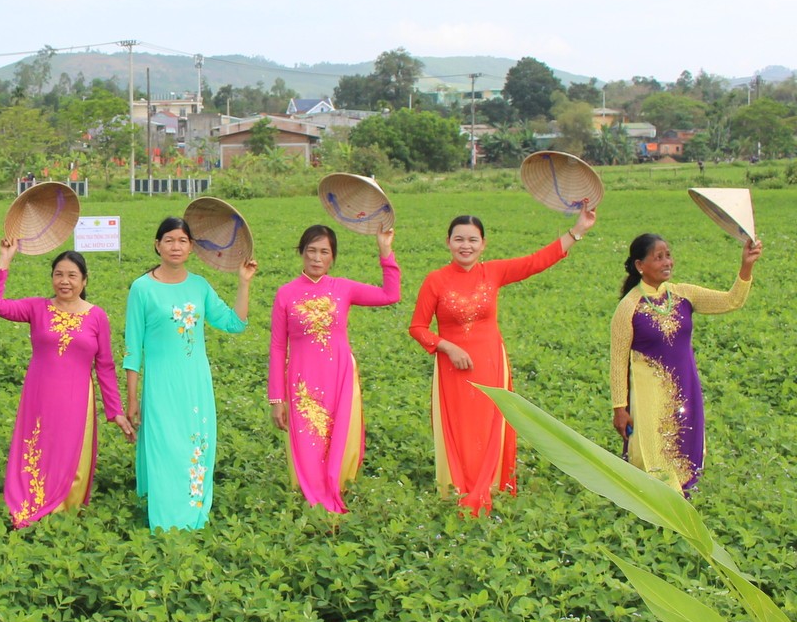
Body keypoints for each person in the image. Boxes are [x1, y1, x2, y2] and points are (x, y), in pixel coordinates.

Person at [408, 208, 596, 516]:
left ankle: (492, 484)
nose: (465, 246)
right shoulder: (436, 281)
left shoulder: (493, 272)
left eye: (472, 240)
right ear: (448, 243)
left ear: (483, 244)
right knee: (461, 427)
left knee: (490, 422)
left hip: (490, 363)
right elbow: (418, 327)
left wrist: (578, 230)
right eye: (459, 239)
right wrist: (446, 346)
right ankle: (462, 486)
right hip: (453, 369)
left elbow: (536, 261)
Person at [0, 242, 134, 528]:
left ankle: (66, 506)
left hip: (78, 397)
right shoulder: (36, 308)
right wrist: (4, 260)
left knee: (72, 450)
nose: (64, 281)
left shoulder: (96, 316)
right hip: (40, 394)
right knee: (39, 447)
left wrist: (114, 410)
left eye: (72, 275)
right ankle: (34, 501)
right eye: (58, 274)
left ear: (84, 280)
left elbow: (104, 365)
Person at [122, 216, 256, 531]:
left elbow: (234, 323)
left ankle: (193, 513)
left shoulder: (199, 286)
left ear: (192, 247)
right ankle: (167, 519)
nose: (176, 246)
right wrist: (132, 400)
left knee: (195, 445)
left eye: (182, 240)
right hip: (160, 386)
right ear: (157, 245)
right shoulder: (142, 289)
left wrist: (244, 282)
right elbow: (132, 349)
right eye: (169, 239)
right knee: (165, 447)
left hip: (195, 384)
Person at [609, 232, 761, 496]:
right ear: (639, 265)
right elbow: (618, 362)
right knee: (652, 452)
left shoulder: (683, 295)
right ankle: (656, 509)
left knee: (684, 447)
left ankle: (683, 504)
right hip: (649, 397)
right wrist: (619, 408)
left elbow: (731, 300)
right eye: (658, 257)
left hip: (685, 390)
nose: (667, 261)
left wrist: (746, 266)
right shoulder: (628, 307)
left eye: (668, 255)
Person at [268, 224, 400, 514]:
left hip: (339, 377)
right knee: (308, 443)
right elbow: (278, 348)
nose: (317, 258)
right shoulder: (286, 294)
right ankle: (313, 502)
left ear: (333, 257)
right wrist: (277, 398)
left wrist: (385, 250)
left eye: (324, 252)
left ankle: (334, 491)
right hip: (302, 383)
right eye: (311, 251)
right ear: (301, 253)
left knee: (337, 439)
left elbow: (391, 294)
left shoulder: (343, 288)